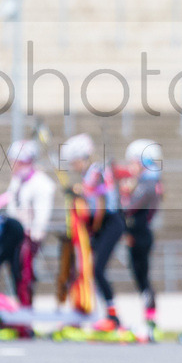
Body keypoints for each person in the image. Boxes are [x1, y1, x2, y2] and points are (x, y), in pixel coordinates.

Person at [0, 140, 56, 308]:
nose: (12, 165)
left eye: (15, 161)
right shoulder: (19, 180)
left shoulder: (42, 183)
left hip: (27, 237)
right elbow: (9, 201)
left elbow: (42, 215)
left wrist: (34, 236)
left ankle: (25, 317)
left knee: (23, 277)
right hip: (11, 234)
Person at [63, 133, 125, 331]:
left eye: (75, 162)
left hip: (110, 223)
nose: (73, 167)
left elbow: (99, 204)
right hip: (100, 224)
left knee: (98, 269)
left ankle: (113, 317)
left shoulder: (96, 172)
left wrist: (92, 229)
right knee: (86, 268)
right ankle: (89, 310)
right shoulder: (88, 174)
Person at [120, 139, 163, 338]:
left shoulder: (149, 182)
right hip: (136, 233)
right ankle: (149, 318)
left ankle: (150, 320)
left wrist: (124, 194)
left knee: (143, 277)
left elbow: (130, 208)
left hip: (141, 234)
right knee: (140, 277)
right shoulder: (147, 181)